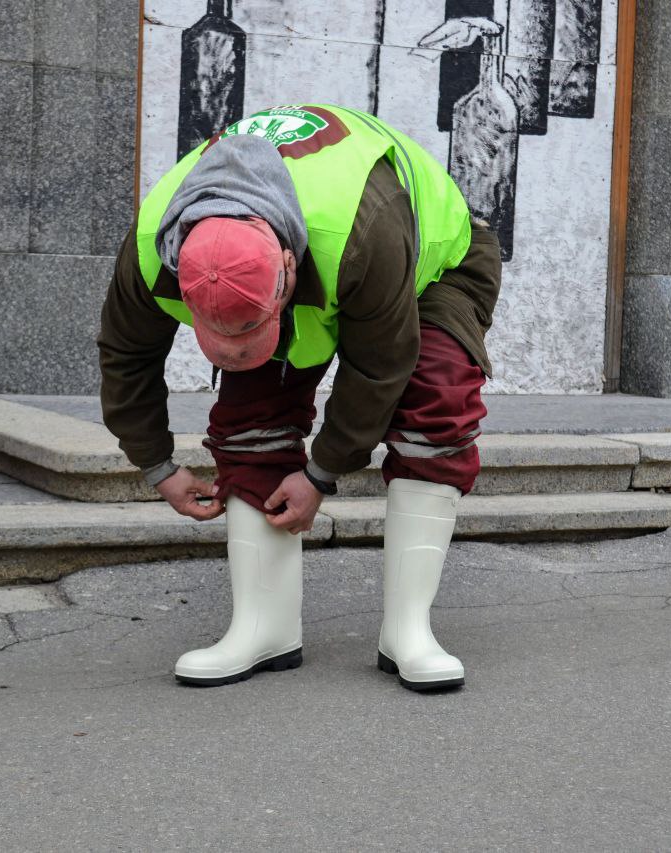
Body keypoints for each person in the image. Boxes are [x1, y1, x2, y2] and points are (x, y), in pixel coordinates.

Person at [98, 104, 500, 691]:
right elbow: (126, 354)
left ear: (287, 266)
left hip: (436, 262)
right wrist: (156, 463)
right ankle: (264, 628)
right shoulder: (149, 245)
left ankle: (409, 631)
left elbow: (379, 367)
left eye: (248, 329)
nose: (236, 348)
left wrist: (320, 475)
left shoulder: (360, 231)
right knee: (250, 412)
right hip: (319, 264)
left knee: (435, 406)